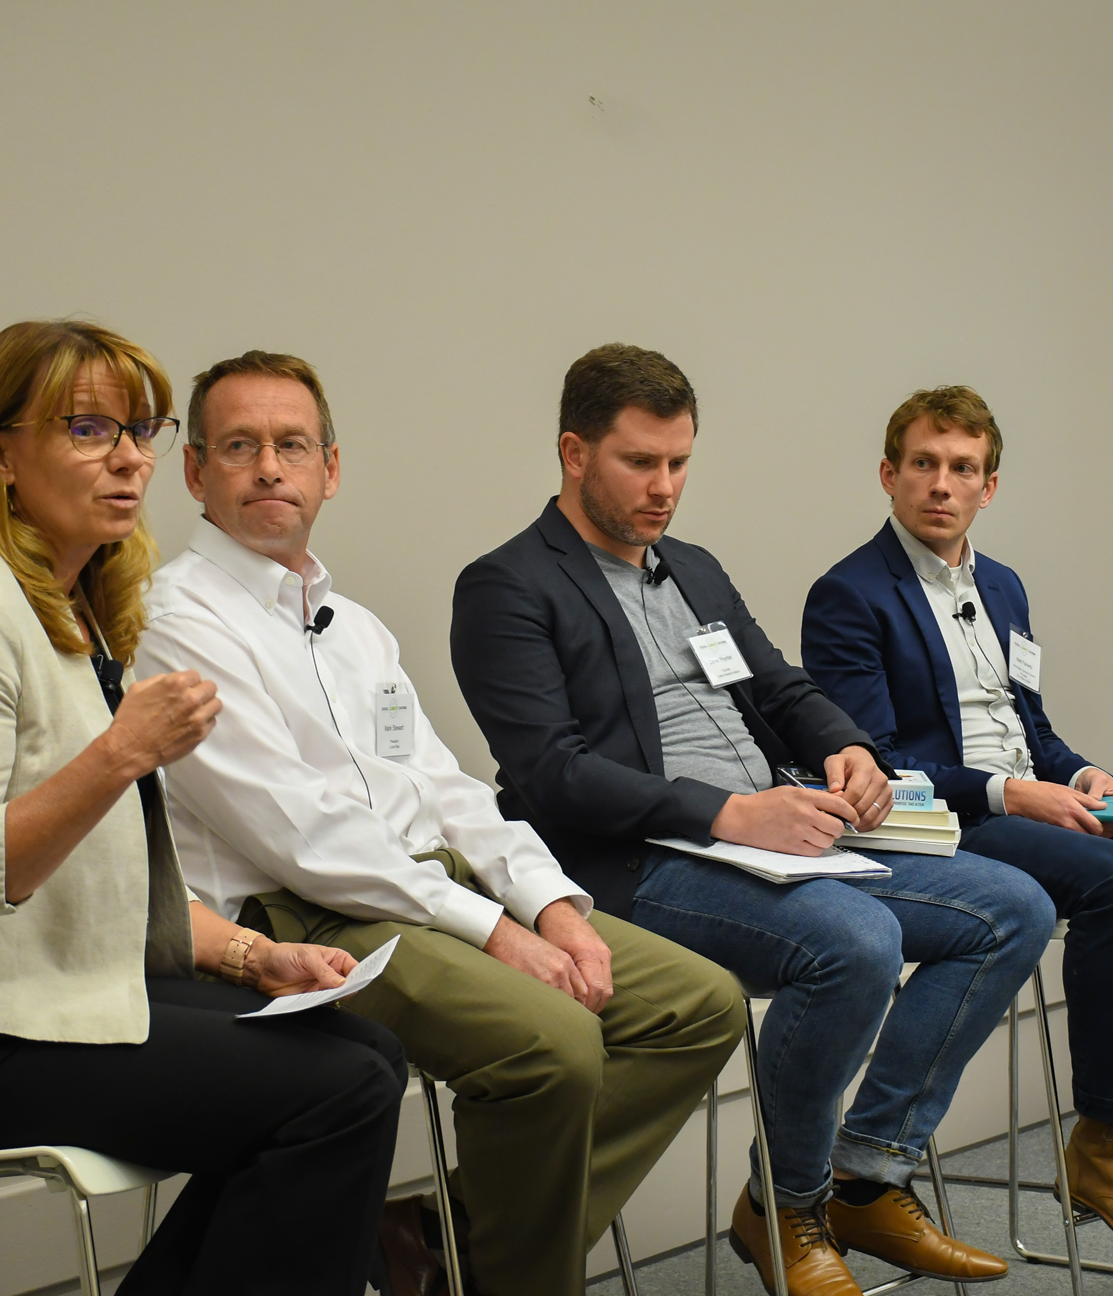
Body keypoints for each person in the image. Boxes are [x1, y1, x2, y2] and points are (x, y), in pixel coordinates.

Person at [137, 350, 745, 1296]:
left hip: (424, 882)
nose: (268, 468)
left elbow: (449, 788)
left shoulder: (354, 625)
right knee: (554, 1046)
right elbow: (304, 838)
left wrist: (550, 906)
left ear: (329, 469)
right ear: (195, 471)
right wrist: (494, 929)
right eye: (240, 446)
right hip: (296, 916)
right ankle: (507, 1272)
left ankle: (442, 1236)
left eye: (292, 445)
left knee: (696, 1006)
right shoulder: (176, 619)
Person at [452, 344, 1054, 1296]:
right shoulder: (507, 587)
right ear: (574, 452)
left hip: (778, 832)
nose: (664, 487)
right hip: (634, 860)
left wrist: (844, 747)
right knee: (855, 942)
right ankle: (787, 1203)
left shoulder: (691, 568)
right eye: (639, 462)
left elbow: (778, 686)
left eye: (680, 462)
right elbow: (551, 774)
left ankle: (868, 1172)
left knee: (1014, 907)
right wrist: (732, 813)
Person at [0, 321, 406, 1296]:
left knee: (363, 1052)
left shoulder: (84, 609)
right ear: (1, 453)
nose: (129, 455)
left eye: (140, 428)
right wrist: (118, 754)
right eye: (88, 429)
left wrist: (258, 956)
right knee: (333, 1097)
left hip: (38, 988)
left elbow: (104, 885)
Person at [801, 387, 1113, 1254]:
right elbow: (875, 765)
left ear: (989, 486)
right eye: (923, 464)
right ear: (889, 474)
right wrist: (1010, 793)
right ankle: (1107, 1140)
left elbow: (1027, 722)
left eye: (963, 469)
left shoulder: (1002, 585)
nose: (941, 485)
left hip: (1040, 797)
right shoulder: (849, 594)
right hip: (949, 822)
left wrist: (1076, 770)